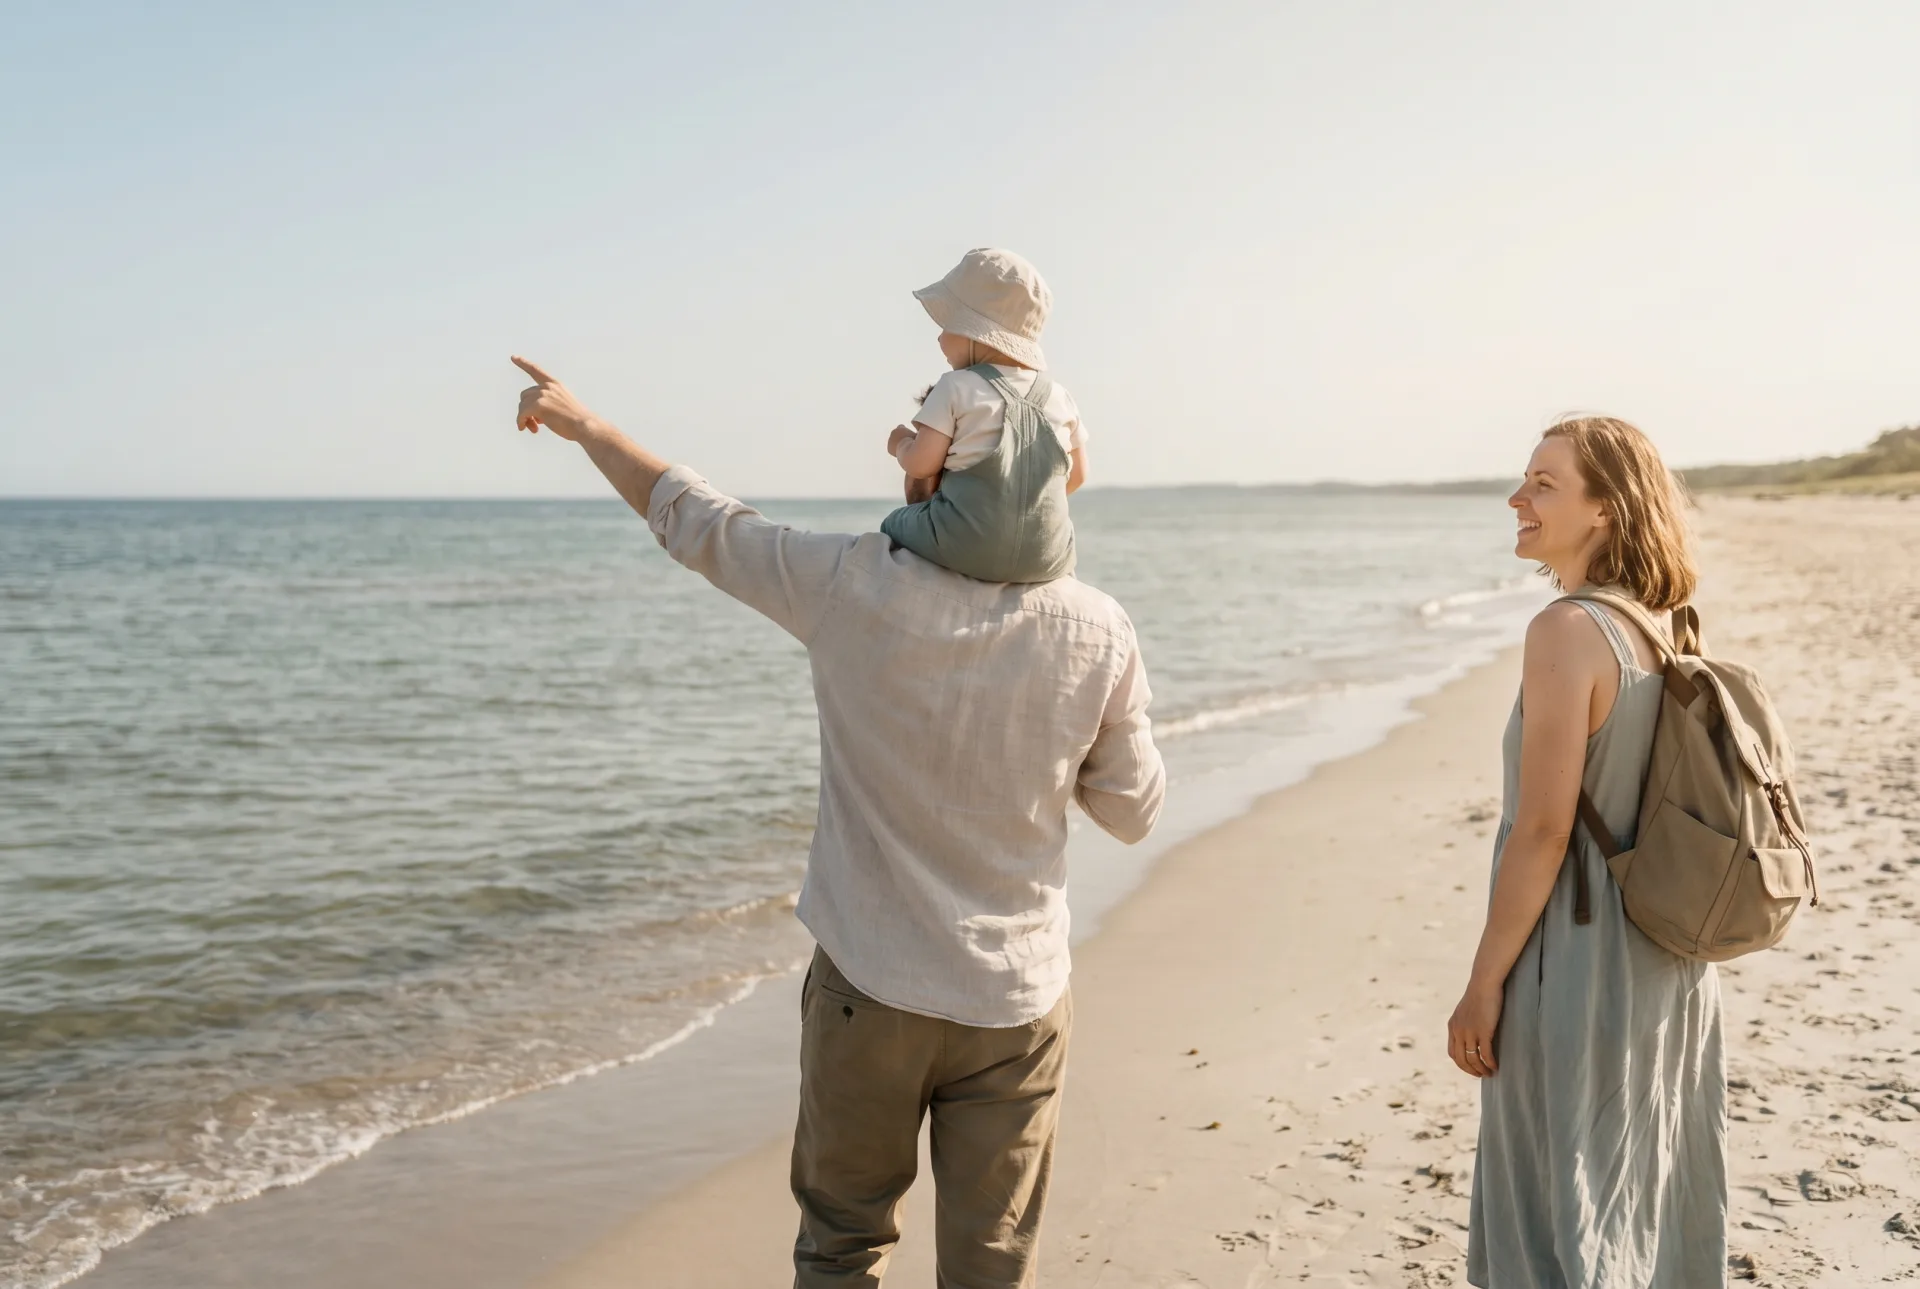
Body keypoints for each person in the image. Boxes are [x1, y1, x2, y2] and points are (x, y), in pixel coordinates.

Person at [510, 354, 1165, 1287]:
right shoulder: (1099, 626)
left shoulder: (852, 580)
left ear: (936, 467)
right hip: (1017, 999)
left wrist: (587, 427)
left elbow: (699, 521)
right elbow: (1133, 812)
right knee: (991, 1267)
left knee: (842, 1249)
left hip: (871, 986)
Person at [1448, 416, 1726, 1287]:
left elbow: (1543, 830)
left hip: (1578, 956)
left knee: (1553, 1196)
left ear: (1604, 510)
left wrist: (1482, 982)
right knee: (1642, 1187)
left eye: (1543, 483)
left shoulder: (1567, 630)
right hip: (1666, 953)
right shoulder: (1660, 625)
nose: (1517, 498)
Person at [881, 247, 1088, 584]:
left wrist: (901, 442)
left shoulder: (956, 386)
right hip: (1049, 556)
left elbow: (921, 465)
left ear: (974, 330)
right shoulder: (1060, 395)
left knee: (894, 523)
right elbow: (1077, 476)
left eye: (947, 324)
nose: (939, 338)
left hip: (964, 544)